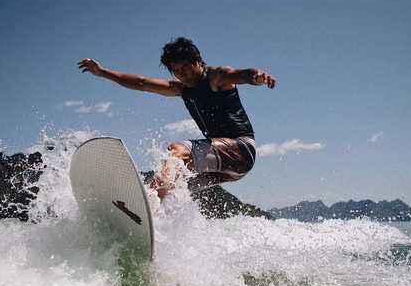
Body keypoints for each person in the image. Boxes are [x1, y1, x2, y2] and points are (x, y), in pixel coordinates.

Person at [78, 37, 276, 199]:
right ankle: (156, 221)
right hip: (228, 168)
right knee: (178, 187)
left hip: (241, 150)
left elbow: (240, 74)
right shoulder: (183, 89)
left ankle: (151, 199)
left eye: (186, 68)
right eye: (177, 72)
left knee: (178, 150)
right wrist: (103, 72)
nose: (183, 75)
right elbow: (142, 83)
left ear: (197, 61)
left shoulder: (216, 78)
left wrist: (257, 77)